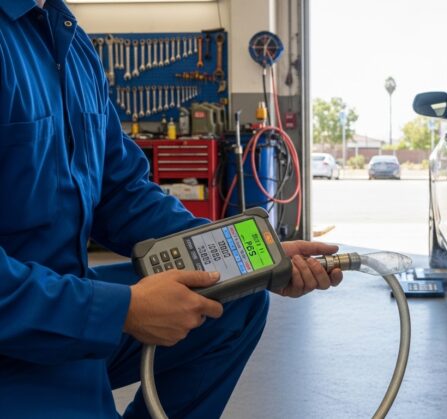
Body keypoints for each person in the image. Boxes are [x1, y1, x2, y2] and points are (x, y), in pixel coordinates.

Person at [0, 0, 342, 417]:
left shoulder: (70, 42)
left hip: (65, 303)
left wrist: (243, 254)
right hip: (16, 334)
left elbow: (121, 192)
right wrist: (120, 311)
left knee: (232, 299)